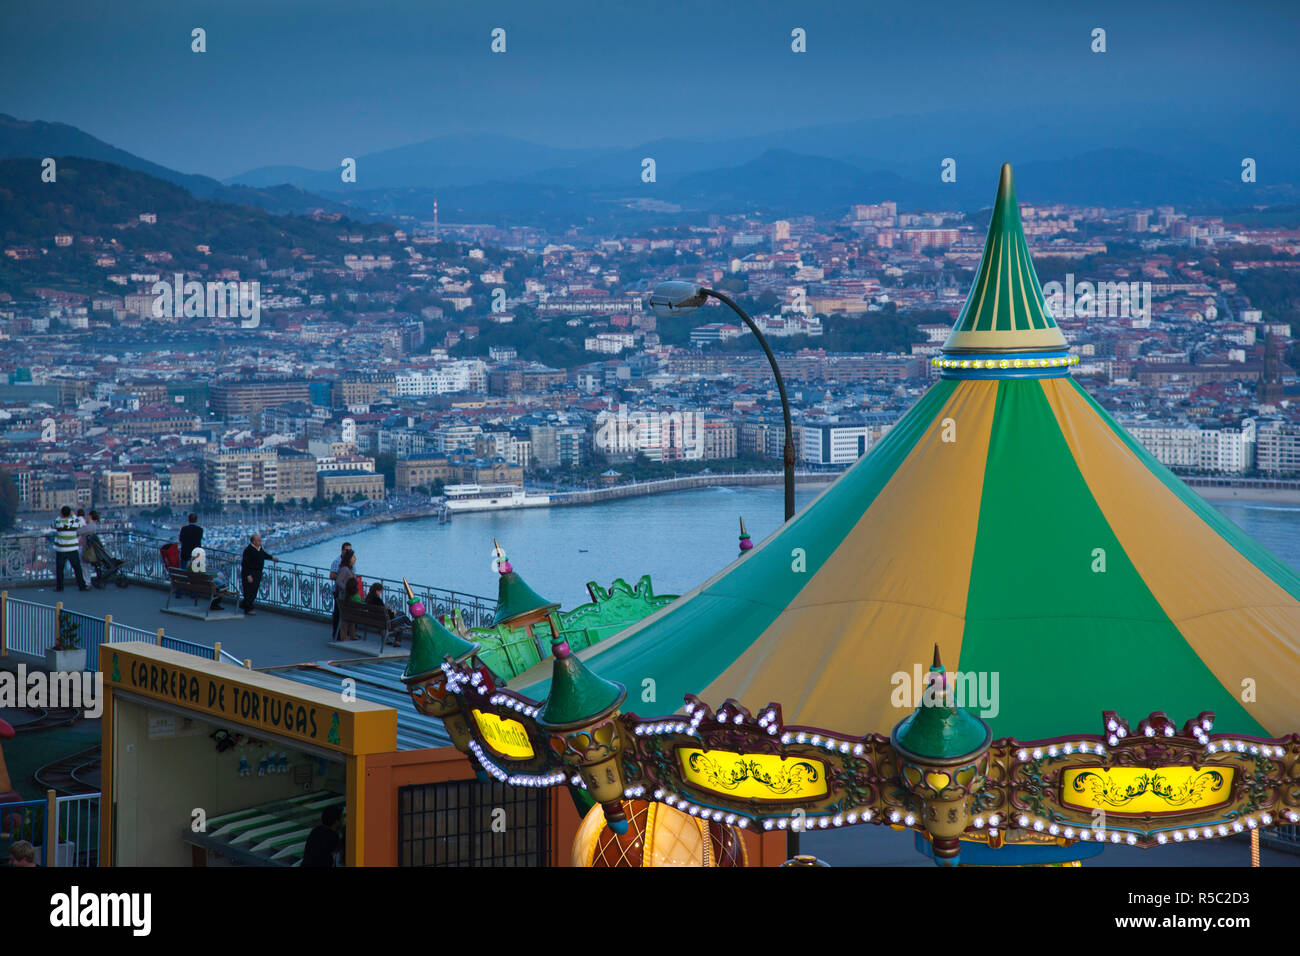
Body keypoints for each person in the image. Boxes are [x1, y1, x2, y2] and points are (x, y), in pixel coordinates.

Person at [52, 505, 89, 592]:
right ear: (70, 513)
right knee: (77, 568)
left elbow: (52, 524)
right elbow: (80, 524)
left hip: (61, 549)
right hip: (72, 549)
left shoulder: (58, 522)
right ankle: (82, 586)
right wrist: (73, 515)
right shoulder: (74, 522)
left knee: (60, 569)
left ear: (61, 513)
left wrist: (60, 516)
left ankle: (59, 587)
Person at [239, 533, 278, 616]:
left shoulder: (259, 548)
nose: (261, 541)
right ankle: (248, 609)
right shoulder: (248, 550)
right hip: (250, 573)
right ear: (253, 541)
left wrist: (272, 558)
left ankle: (244, 604)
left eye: (260, 540)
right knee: (249, 591)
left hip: (258, 572)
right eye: (259, 540)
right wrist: (248, 575)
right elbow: (245, 564)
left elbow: (263, 554)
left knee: (254, 590)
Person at [365, 581, 409, 647]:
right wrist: (391, 611)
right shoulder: (378, 600)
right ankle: (398, 640)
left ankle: (409, 626)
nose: (381, 593)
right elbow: (388, 615)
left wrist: (387, 610)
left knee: (400, 613)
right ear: (377, 591)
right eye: (380, 591)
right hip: (385, 622)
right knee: (401, 618)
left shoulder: (368, 598)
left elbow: (381, 612)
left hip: (375, 620)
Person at [329, 542, 353, 639]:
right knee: (338, 613)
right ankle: (336, 633)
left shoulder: (350, 562)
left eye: (350, 550)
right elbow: (332, 575)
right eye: (347, 550)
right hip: (339, 591)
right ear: (342, 550)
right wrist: (343, 577)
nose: (348, 552)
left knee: (346, 613)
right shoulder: (337, 561)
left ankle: (346, 633)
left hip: (347, 591)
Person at [334, 551, 358, 640]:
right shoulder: (345, 569)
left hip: (349, 597)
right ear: (349, 558)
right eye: (353, 556)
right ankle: (344, 636)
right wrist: (347, 589)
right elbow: (339, 581)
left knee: (351, 616)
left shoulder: (350, 569)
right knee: (345, 617)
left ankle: (352, 635)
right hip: (345, 597)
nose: (355, 558)